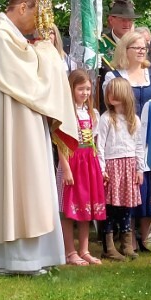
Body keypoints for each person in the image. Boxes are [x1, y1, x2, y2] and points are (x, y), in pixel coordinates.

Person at [0, 0, 79, 276]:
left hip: (24, 120)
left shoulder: (9, 36)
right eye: (35, 16)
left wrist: (40, 49)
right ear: (21, 8)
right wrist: (46, 50)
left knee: (29, 181)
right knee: (19, 181)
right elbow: (28, 75)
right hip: (13, 125)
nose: (37, 25)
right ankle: (20, 261)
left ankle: (35, 257)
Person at [100, 30, 151, 251]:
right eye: (136, 47)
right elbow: (111, 104)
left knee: (147, 186)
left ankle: (147, 236)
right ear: (125, 50)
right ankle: (126, 238)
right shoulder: (113, 76)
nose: (141, 51)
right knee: (126, 188)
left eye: (143, 48)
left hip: (150, 136)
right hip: (124, 137)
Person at [57, 69, 106, 266]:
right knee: (68, 208)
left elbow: (95, 142)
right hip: (71, 161)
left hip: (88, 163)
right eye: (80, 89)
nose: (85, 93)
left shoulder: (92, 113)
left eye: (87, 89)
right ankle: (70, 251)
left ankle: (84, 250)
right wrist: (66, 168)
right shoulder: (66, 113)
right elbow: (60, 143)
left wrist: (100, 167)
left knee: (87, 206)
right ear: (71, 89)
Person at [97, 78, 146, 261]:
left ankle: (126, 244)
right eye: (109, 92)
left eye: (115, 92)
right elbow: (100, 146)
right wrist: (102, 169)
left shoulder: (134, 120)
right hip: (113, 167)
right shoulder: (106, 119)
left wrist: (139, 169)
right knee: (110, 207)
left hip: (129, 167)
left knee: (126, 208)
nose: (111, 96)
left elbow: (139, 145)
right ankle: (108, 246)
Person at [100, 0, 141, 71]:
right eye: (123, 20)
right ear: (111, 20)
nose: (127, 24)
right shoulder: (100, 45)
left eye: (130, 20)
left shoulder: (141, 45)